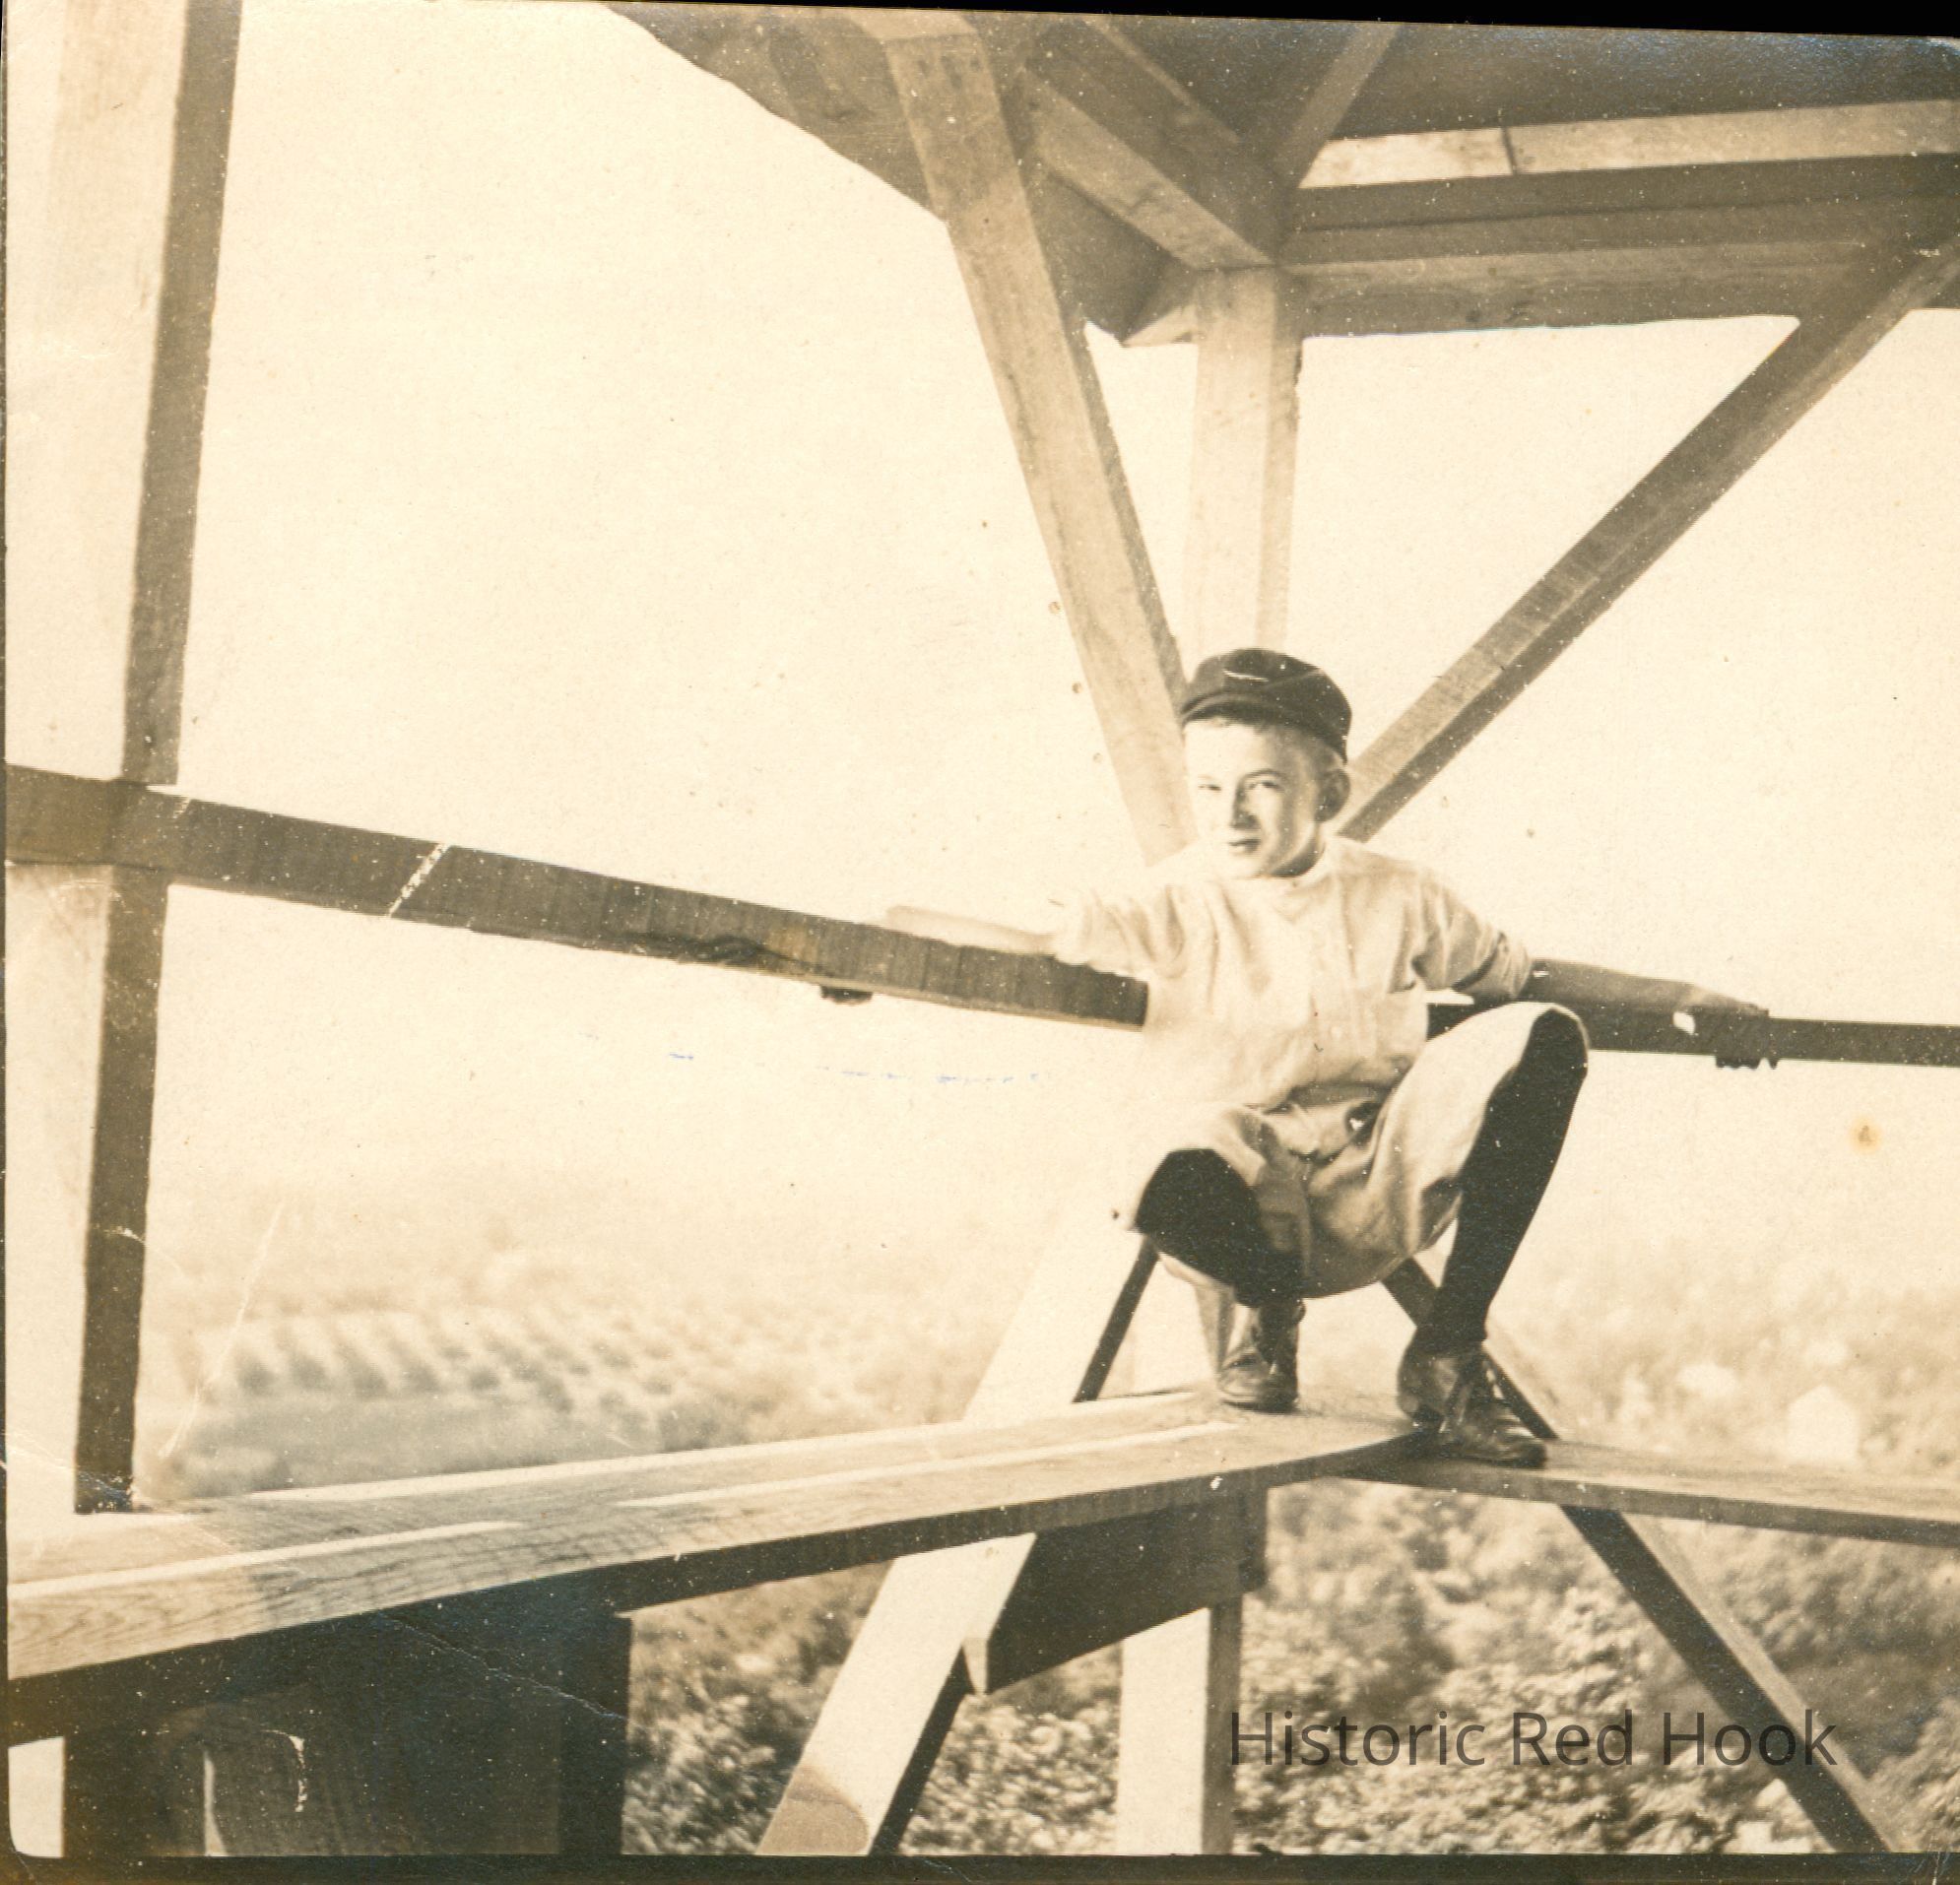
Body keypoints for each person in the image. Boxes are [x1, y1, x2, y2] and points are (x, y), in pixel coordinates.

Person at [889, 649, 1771, 1466]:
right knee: (1168, 1153)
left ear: (1330, 792)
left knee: (1543, 1034)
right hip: (1232, 1208)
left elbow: (1519, 974)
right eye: (1208, 788)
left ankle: (1448, 1353)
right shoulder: (1178, 897)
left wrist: (1687, 996)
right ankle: (1267, 1319)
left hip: (1369, 1182)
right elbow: (1043, 928)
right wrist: (882, 942)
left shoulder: (1398, 893)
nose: (1229, 816)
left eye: (1263, 787)